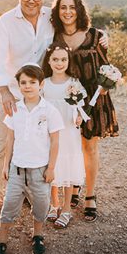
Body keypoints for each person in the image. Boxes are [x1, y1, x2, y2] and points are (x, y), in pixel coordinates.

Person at [0, 0, 107, 221]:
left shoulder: (51, 18)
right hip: (10, 93)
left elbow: (76, 30)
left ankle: (29, 192)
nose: (31, 1)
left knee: (35, 143)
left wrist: (102, 34)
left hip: (39, 96)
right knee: (0, 144)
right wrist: (5, 92)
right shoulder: (6, 21)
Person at [51, 0, 118, 222]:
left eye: (72, 7)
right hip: (66, 100)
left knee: (89, 148)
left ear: (79, 10)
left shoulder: (95, 36)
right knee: (70, 146)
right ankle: (74, 185)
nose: (67, 11)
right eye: (63, 8)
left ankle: (90, 195)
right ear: (57, 12)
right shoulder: (54, 37)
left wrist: (107, 86)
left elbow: (107, 67)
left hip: (92, 100)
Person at [0, 64, 63, 254]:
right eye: (23, 82)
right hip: (17, 169)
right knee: (9, 206)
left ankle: (37, 237)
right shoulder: (15, 109)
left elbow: (55, 141)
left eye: (32, 82)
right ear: (19, 85)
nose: (27, 86)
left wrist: (51, 168)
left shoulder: (49, 111)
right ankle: (1, 242)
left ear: (41, 84)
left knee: (41, 205)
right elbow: (10, 139)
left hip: (40, 171)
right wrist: (6, 165)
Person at [42, 45, 86, 229]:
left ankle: (66, 208)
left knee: (67, 167)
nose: (59, 63)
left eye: (63, 59)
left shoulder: (74, 83)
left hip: (68, 131)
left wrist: (79, 117)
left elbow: (82, 107)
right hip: (50, 132)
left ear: (69, 61)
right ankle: (54, 204)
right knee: (52, 166)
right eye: (55, 59)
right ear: (49, 61)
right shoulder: (44, 83)